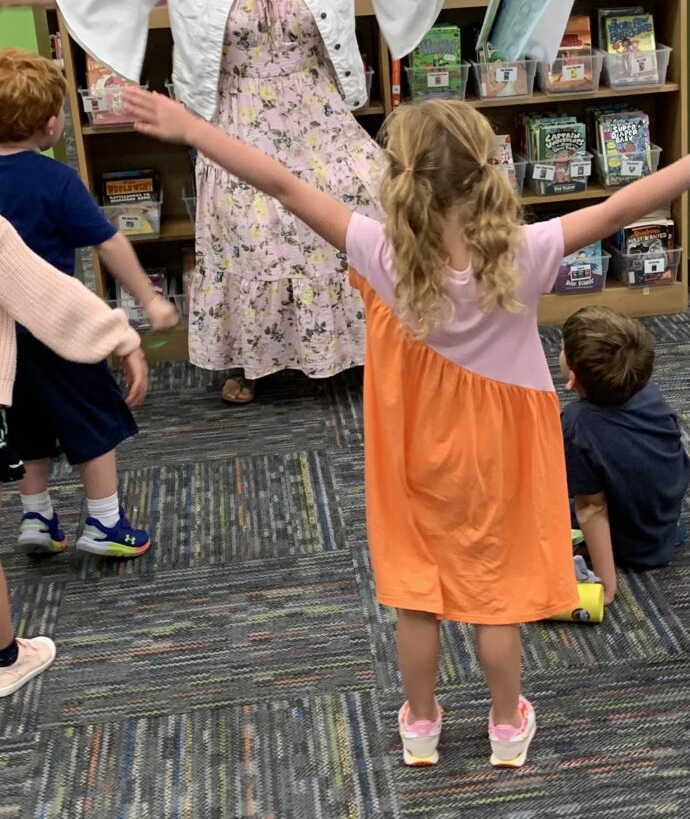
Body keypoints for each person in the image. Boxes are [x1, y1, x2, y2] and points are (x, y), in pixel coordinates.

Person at [122, 85, 690, 769]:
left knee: (416, 598)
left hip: (417, 451)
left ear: (401, 182)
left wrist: (189, 126)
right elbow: (623, 205)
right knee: (494, 598)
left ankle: (420, 725)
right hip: (503, 453)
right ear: (489, 174)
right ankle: (506, 727)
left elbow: (281, 183)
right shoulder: (527, 249)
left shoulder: (379, 251)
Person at [0, 0, 509, 405]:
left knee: (369, 195)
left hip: (319, 116)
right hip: (235, 118)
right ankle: (255, 358)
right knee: (254, 220)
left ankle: (363, 343)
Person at [0, 48, 178, 558]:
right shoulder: (55, 180)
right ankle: (103, 522)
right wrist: (148, 298)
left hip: (3, 343)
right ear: (51, 124)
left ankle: (36, 517)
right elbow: (109, 240)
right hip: (57, 330)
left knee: (27, 427)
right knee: (93, 422)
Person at [0, 214, 147, 696]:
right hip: (55, 352)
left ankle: (40, 517)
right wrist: (123, 339)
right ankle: (5, 658)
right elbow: (48, 295)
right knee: (92, 424)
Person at [560, 305, 689, 605]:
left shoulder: (577, 422)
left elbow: (592, 508)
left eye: (562, 347)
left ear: (573, 378)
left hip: (633, 543)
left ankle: (588, 552)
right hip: (666, 526)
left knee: (531, 496)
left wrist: (606, 586)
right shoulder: (645, 390)